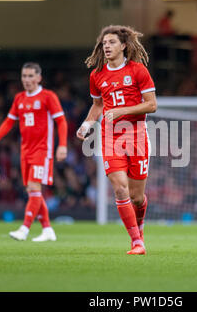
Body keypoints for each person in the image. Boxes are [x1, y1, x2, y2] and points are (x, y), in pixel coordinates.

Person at [77, 25, 157, 255]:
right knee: (120, 190)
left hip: (137, 135)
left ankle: (139, 230)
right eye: (104, 43)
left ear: (123, 46)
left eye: (111, 42)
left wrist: (122, 111)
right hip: (110, 136)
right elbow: (98, 105)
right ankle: (136, 242)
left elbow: (152, 105)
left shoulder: (138, 70)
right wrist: (86, 125)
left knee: (137, 197)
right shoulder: (97, 75)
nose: (107, 47)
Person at [0, 62, 68, 242]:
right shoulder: (19, 99)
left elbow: (61, 121)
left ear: (39, 78)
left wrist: (62, 145)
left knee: (34, 187)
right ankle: (47, 229)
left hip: (42, 149)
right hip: (25, 151)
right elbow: (9, 121)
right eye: (24, 76)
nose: (27, 80)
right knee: (34, 192)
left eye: (31, 76)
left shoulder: (48, 96)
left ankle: (24, 229)